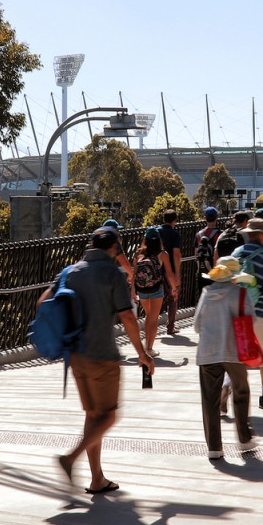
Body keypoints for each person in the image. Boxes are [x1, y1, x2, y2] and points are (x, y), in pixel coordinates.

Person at [49, 228, 153, 496]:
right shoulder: (112, 273)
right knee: (109, 416)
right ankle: (70, 458)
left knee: (93, 416)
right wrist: (142, 353)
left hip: (76, 356)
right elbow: (128, 318)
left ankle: (97, 479)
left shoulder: (71, 272)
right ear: (114, 248)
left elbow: (44, 303)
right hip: (102, 355)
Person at [192, 262, 257, 460]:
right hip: (233, 351)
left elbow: (196, 326)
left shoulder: (206, 293)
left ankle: (214, 448)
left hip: (208, 352)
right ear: (233, 276)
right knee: (241, 392)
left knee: (209, 400)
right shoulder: (239, 293)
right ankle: (245, 439)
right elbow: (250, 319)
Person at [231, 219, 263, 410]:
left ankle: (228, 387)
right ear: (261, 235)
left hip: (238, 312)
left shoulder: (236, 254)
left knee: (237, 357)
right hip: (259, 312)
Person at [133, 227, 173, 358]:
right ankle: (149, 348)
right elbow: (169, 274)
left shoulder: (138, 254)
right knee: (154, 318)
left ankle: (146, 346)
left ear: (146, 239)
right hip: (156, 288)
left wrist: (133, 291)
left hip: (142, 289)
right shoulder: (163, 254)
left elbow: (134, 275)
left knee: (148, 315)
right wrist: (174, 287)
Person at [158, 208, 184, 335]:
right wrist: (177, 274)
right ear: (174, 220)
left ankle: (152, 325)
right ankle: (170, 326)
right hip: (170, 269)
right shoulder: (175, 234)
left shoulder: (156, 232)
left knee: (155, 297)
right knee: (172, 297)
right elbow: (176, 254)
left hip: (156, 268)